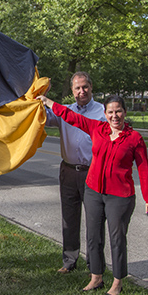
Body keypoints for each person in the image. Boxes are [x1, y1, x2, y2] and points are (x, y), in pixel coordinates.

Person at [37, 93, 148, 295]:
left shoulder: (134, 138)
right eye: (110, 112)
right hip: (93, 191)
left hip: (119, 197)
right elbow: (71, 116)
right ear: (105, 114)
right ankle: (96, 278)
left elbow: (144, 168)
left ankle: (118, 282)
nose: (114, 116)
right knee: (93, 236)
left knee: (117, 238)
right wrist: (49, 102)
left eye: (118, 111)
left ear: (124, 112)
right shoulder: (97, 129)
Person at [43, 72, 106, 274]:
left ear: (91, 86)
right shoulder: (64, 112)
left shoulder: (102, 112)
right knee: (69, 219)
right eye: (77, 88)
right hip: (68, 171)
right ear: (72, 91)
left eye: (85, 87)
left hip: (93, 172)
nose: (82, 91)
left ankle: (94, 266)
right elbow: (41, 118)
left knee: (94, 220)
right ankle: (69, 261)